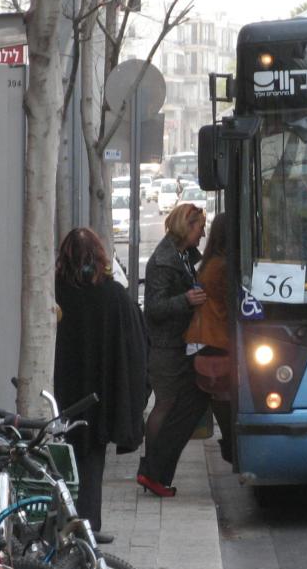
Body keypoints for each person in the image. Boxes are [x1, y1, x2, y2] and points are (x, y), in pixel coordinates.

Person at [54, 228, 150, 541]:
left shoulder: (54, 292)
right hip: (100, 396)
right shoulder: (114, 295)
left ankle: (64, 521)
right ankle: (87, 524)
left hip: (62, 390)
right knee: (92, 457)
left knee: (61, 458)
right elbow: (137, 348)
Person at [136, 203, 210, 497]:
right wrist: (186, 300)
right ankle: (151, 470)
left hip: (178, 344)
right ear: (186, 227)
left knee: (173, 405)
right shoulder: (164, 260)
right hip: (166, 347)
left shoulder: (182, 255)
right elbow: (153, 308)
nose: (203, 233)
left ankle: (154, 469)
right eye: (199, 228)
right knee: (165, 405)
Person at [184, 213, 235, 464]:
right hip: (218, 340)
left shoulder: (211, 262)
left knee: (215, 397)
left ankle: (230, 444)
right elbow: (232, 303)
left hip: (208, 340)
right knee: (223, 396)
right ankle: (231, 446)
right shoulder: (222, 267)